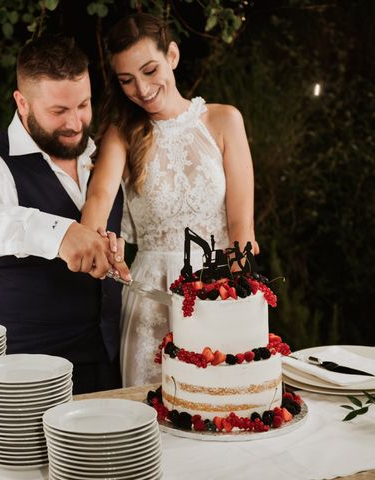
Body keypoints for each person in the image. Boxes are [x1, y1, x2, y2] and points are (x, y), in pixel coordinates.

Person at [0, 34, 130, 394]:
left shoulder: (104, 157)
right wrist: (57, 233)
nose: (75, 122)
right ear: (22, 103)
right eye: (58, 111)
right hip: (25, 379)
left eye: (83, 105)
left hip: (110, 368)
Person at [81, 13, 259, 387]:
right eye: (127, 80)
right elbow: (98, 197)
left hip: (220, 291)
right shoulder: (122, 134)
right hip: (151, 299)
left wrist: (237, 303)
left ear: (172, 56)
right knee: (156, 419)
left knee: (226, 408)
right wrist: (91, 239)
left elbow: (241, 228)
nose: (142, 89)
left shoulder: (225, 121)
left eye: (150, 70)